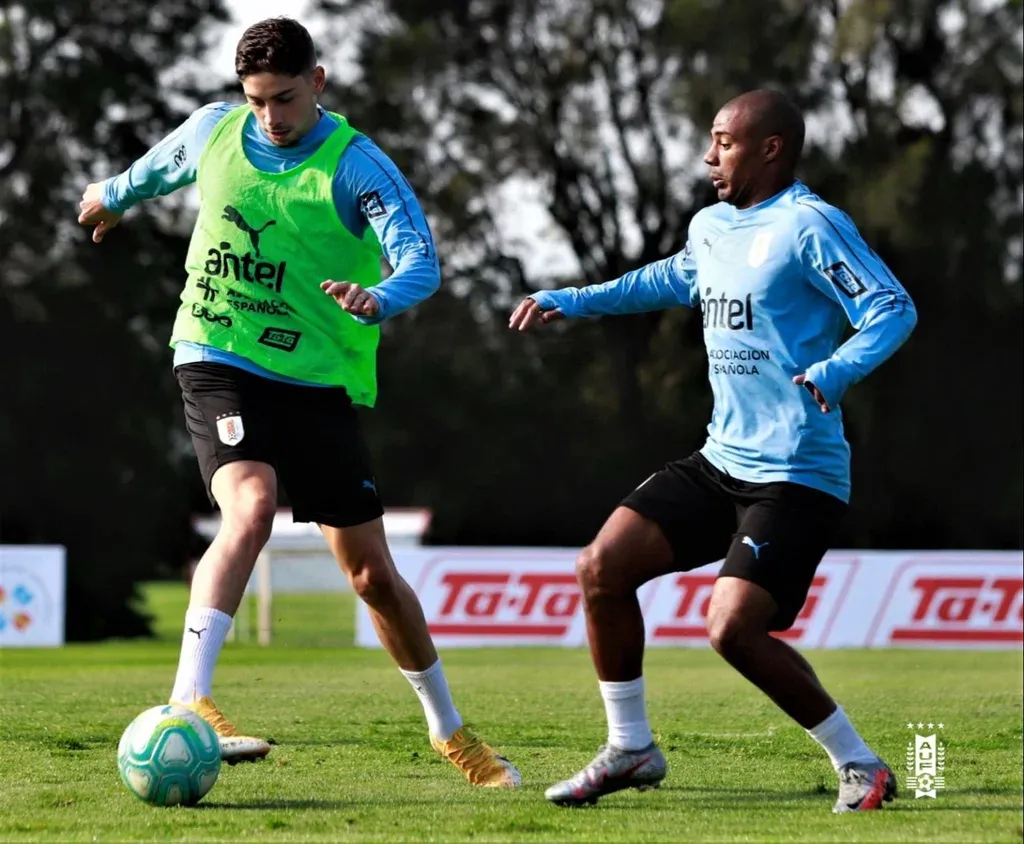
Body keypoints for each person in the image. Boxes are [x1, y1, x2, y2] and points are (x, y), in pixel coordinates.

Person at [78, 16, 519, 789]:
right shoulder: (215, 131)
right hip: (217, 352)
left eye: (283, 98)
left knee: (372, 577)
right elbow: (152, 171)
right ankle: (190, 698)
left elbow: (420, 261)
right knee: (251, 506)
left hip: (315, 379)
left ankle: (449, 730)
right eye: (256, 100)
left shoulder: (358, 167)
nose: (270, 117)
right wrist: (111, 198)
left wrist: (379, 297)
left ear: (317, 82)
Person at [510, 89, 917, 812]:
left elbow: (891, 307)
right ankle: (631, 748)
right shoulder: (712, 226)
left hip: (795, 472)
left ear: (771, 148)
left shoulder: (810, 224)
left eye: (724, 142)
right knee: (601, 568)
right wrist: (572, 298)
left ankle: (862, 764)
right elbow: (664, 279)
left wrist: (837, 369)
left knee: (731, 629)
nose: (709, 156)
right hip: (720, 460)